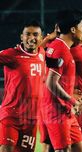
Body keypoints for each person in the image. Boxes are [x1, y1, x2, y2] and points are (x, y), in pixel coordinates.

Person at [39, 10, 82, 152]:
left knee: (79, 148)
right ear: (73, 29)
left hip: (65, 110)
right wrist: (72, 100)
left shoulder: (58, 47)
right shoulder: (60, 49)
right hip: (56, 112)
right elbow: (51, 82)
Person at [0, 20, 45, 152]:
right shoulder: (12, 54)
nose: (31, 38)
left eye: (36, 34)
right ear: (21, 37)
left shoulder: (43, 53)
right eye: (28, 34)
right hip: (11, 116)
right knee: (6, 149)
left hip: (31, 119)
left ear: (41, 37)